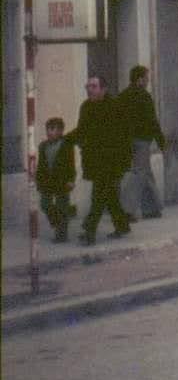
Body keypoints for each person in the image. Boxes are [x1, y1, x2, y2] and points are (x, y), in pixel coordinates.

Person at [69, 75, 131, 245]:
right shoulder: (86, 107)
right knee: (109, 195)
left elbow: (124, 136)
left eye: (94, 86)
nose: (89, 89)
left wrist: (125, 161)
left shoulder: (115, 107)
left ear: (104, 89)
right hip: (94, 159)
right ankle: (122, 225)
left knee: (99, 195)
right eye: (88, 86)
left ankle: (90, 232)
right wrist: (67, 139)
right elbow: (82, 130)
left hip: (112, 160)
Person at [117, 65, 166, 221]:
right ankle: (126, 210)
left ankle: (151, 209)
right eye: (146, 78)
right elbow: (152, 121)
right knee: (139, 173)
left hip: (126, 140)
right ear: (139, 79)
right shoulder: (144, 96)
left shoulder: (123, 96)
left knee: (145, 172)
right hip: (142, 140)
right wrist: (161, 140)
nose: (147, 81)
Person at [36, 117, 76, 243]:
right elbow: (41, 165)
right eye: (48, 129)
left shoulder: (66, 145)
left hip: (62, 180)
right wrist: (38, 181)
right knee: (45, 204)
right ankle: (60, 220)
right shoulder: (43, 146)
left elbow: (71, 165)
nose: (50, 132)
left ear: (60, 131)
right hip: (47, 181)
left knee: (62, 207)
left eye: (53, 129)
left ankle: (61, 235)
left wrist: (71, 180)